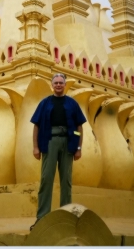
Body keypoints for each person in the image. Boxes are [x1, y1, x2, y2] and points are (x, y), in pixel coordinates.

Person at [30, 73, 86, 229]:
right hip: (49, 142)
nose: (59, 85)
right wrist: (35, 147)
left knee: (66, 181)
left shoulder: (72, 104)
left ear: (65, 84)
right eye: (56, 82)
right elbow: (36, 126)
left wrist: (79, 148)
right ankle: (42, 217)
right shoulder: (45, 103)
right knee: (46, 179)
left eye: (61, 82)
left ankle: (66, 216)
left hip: (68, 143)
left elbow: (79, 127)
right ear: (52, 85)